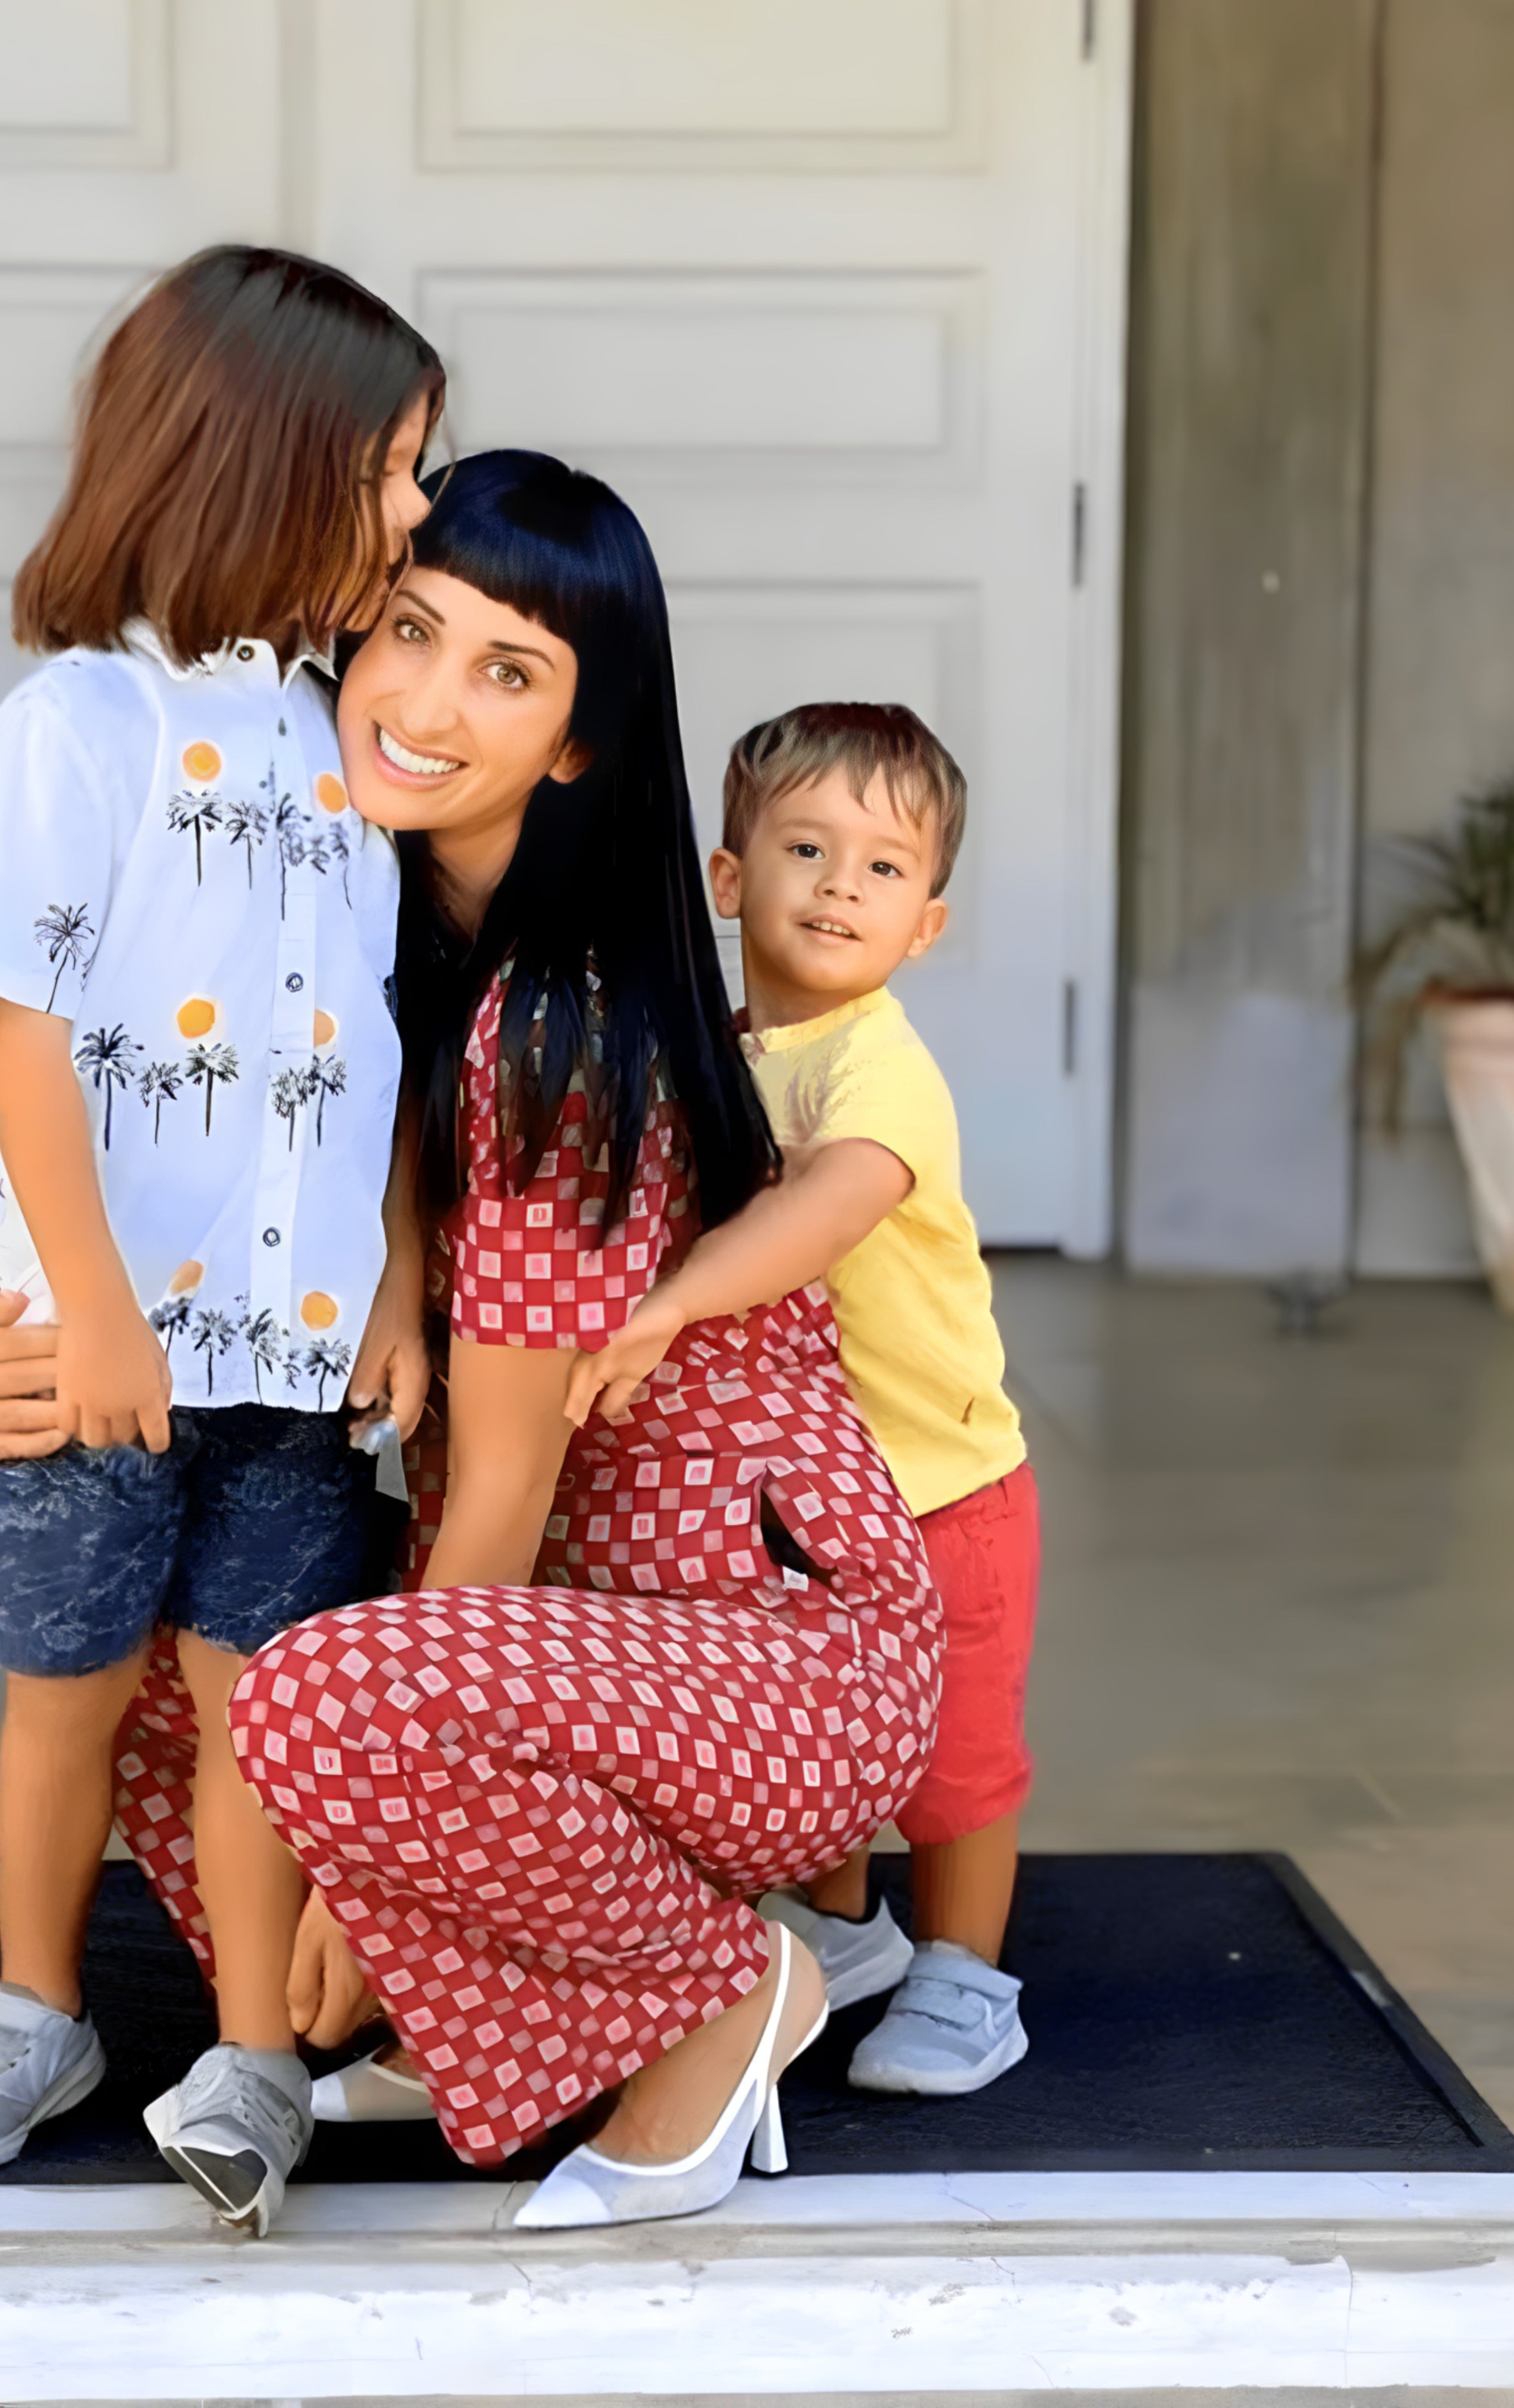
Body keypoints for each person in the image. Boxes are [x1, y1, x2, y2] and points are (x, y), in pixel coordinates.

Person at [105, 452, 945, 2231]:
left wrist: (362, 1864)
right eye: (409, 633)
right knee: (174, 1688)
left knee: (318, 1704)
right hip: (573, 1671)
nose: (424, 703)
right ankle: (534, 2015)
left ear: (575, 747)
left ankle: (726, 1995)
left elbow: (501, 1477)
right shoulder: (395, 947)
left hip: (773, 1668)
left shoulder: (566, 1025)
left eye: (508, 672)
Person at [0, 247, 442, 2210]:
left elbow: (372, 1040)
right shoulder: (79, 728)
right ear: (260, 465)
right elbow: (20, 1028)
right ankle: (34, 2002)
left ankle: (253, 2052)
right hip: (91, 1347)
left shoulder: (346, 743)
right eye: (388, 471)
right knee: (64, 1679)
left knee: (253, 1697)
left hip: (297, 1350)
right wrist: (102, 1307)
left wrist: (398, 1271)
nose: (416, 511)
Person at [564, 704, 1037, 2097]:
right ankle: (844, 1926)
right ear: (730, 878)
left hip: (939, 1485)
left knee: (954, 1754)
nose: (841, 886)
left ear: (926, 925)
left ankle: (968, 1976)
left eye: (884, 868)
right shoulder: (719, 1048)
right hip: (805, 1496)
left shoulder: (879, 1065)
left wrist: (672, 1303)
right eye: (808, 849)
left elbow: (825, 1208)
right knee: (814, 1710)